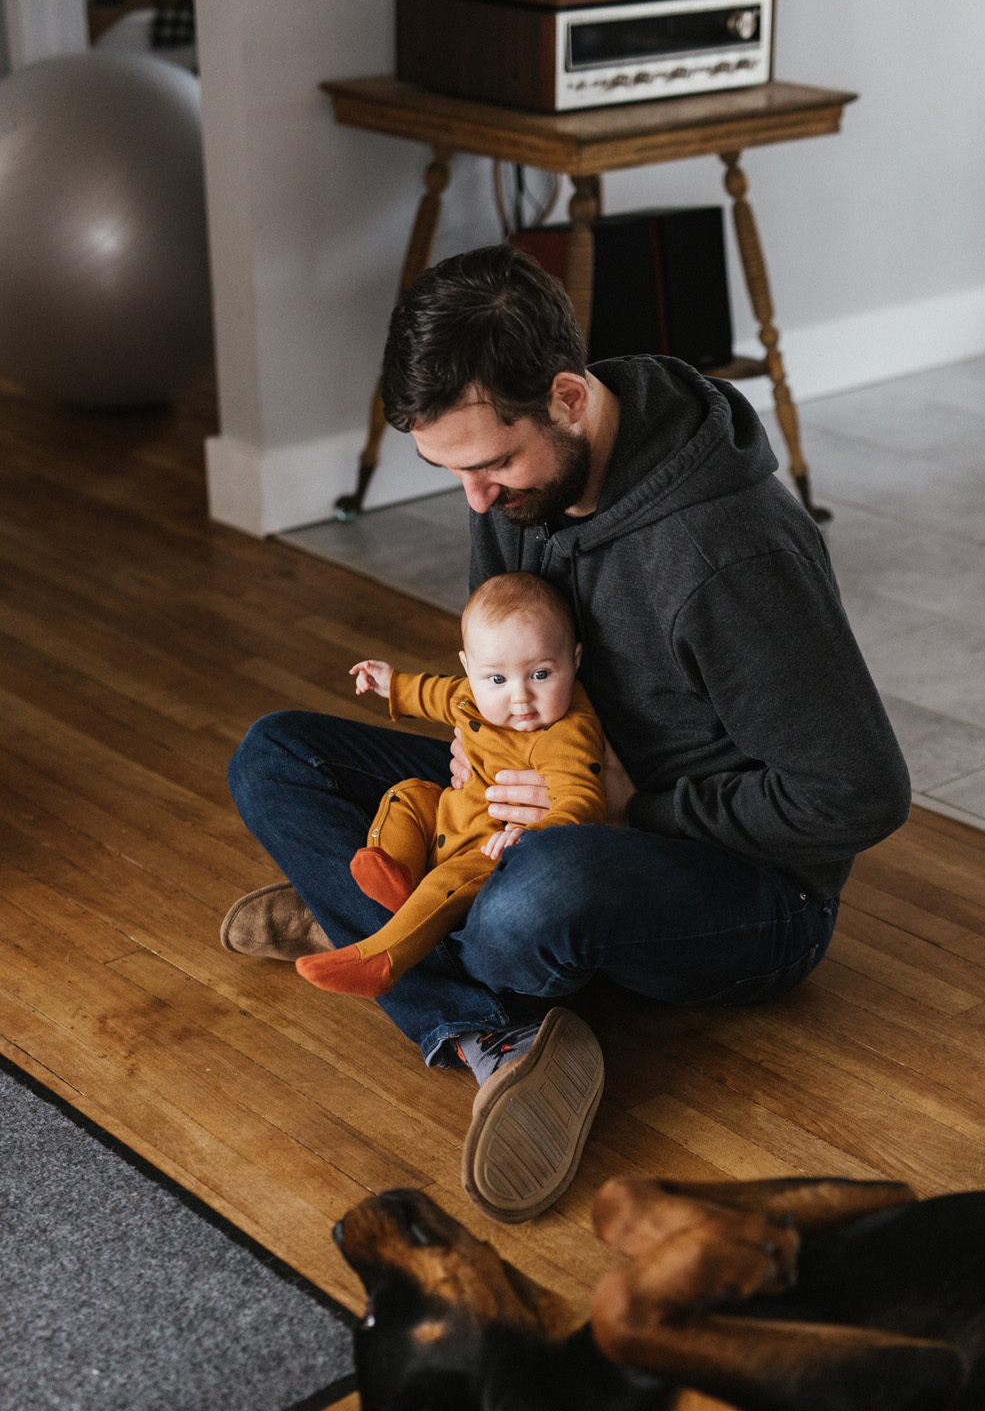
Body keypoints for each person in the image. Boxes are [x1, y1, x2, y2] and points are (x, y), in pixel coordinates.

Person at [222, 244, 911, 1225]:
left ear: (569, 399)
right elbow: (507, 634)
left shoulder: (729, 552)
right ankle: (471, 1014)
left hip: (752, 885)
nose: (477, 499)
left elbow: (858, 794)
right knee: (277, 755)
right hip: (545, 785)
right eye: (449, 470)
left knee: (531, 906)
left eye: (494, 463)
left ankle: (399, 926)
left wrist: (635, 804)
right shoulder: (521, 485)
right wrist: (486, 739)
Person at [295, 571, 605, 998]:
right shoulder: (472, 694)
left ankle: (381, 958)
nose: (519, 697)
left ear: (575, 659)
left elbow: (582, 798)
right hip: (450, 813)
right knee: (407, 794)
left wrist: (532, 835)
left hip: (487, 850)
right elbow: (436, 694)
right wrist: (392, 683)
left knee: (449, 883)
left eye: (540, 675)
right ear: (470, 669)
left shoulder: (566, 732)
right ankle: (394, 871)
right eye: (498, 679)